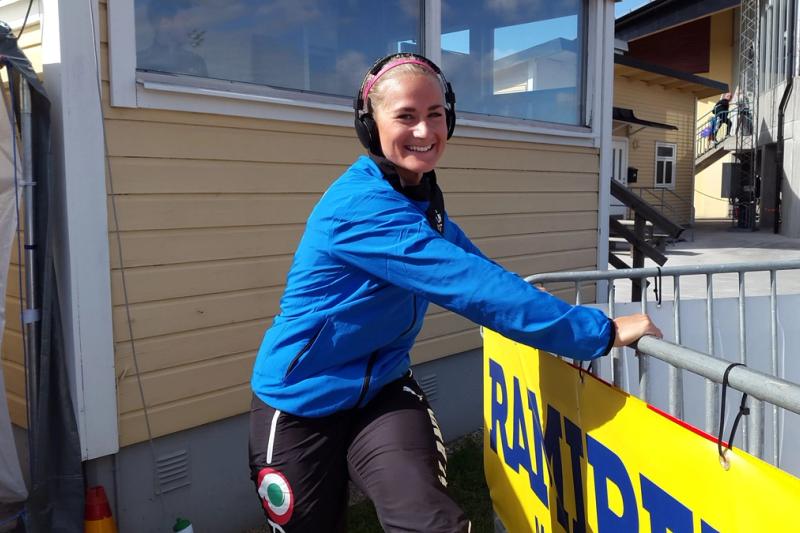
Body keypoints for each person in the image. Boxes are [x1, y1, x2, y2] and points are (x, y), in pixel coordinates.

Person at [248, 53, 662, 533]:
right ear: (370, 126)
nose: (424, 131)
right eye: (405, 116)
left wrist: (563, 318)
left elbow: (482, 272)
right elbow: (474, 289)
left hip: (381, 390)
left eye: (435, 114)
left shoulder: (417, 198)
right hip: (299, 403)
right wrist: (600, 331)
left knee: (431, 524)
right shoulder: (362, 207)